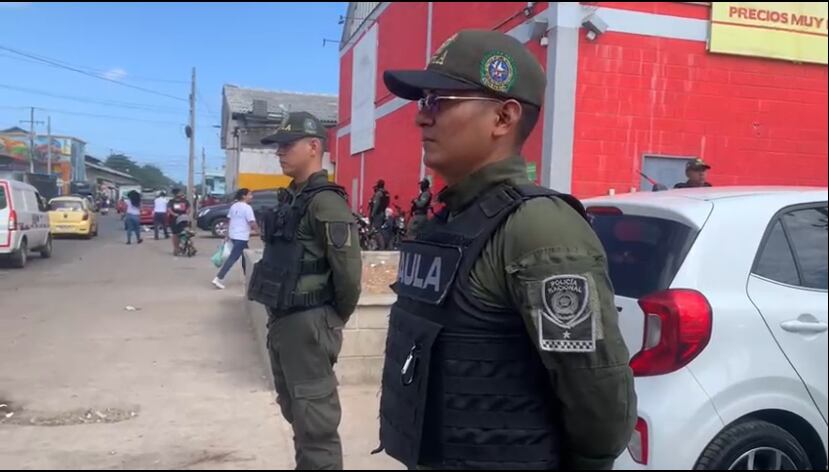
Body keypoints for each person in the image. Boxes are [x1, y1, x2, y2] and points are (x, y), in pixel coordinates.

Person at [375, 29, 636, 470]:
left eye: (441, 101)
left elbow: (600, 404)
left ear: (502, 118)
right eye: (423, 102)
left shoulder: (540, 230)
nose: (421, 117)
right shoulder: (449, 219)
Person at [248, 111, 362, 470]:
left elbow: (349, 276)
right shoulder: (293, 199)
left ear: (314, 147)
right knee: (297, 414)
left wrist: (328, 319)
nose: (279, 153)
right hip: (284, 321)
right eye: (277, 146)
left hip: (308, 322)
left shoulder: (325, 202)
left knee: (316, 428)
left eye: (287, 145)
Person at [212, 188, 258, 289]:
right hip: (241, 237)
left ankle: (249, 278)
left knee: (246, 256)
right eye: (250, 195)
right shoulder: (247, 208)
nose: (251, 197)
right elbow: (252, 222)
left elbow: (229, 221)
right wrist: (259, 231)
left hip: (234, 235)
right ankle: (218, 278)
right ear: (244, 196)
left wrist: (227, 235)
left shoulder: (234, 206)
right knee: (233, 258)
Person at [167, 189, 191, 256]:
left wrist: (187, 214)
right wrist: (174, 214)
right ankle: (176, 248)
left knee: (185, 233)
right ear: (176, 194)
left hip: (183, 219)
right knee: (175, 234)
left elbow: (188, 208)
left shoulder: (185, 201)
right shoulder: (171, 202)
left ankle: (185, 246)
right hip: (174, 220)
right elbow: (169, 209)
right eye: (180, 192)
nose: (181, 193)